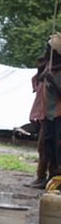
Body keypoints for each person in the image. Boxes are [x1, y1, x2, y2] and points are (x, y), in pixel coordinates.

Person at [27, 47, 51, 188]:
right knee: (43, 147)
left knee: (48, 147)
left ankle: (48, 177)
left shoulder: (53, 70)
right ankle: (41, 176)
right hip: (45, 114)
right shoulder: (45, 71)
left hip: (53, 115)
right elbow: (36, 87)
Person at [42, 35, 61, 182]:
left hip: (58, 115)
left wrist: (53, 82)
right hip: (48, 115)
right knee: (48, 147)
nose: (46, 53)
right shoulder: (50, 69)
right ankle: (51, 176)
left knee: (58, 147)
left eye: (49, 50)